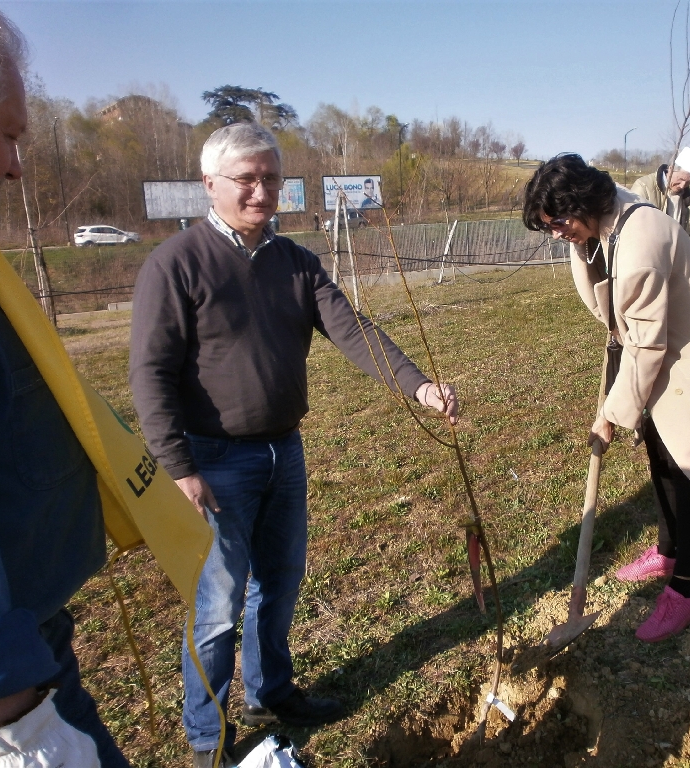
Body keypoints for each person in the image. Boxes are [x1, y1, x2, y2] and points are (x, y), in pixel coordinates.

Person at [129, 122, 458, 768]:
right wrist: (178, 466)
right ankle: (207, 739)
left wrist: (418, 388)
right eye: (246, 179)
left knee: (279, 584)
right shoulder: (175, 264)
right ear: (210, 185)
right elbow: (150, 372)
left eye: (271, 178)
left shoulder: (297, 264)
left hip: (285, 453)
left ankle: (270, 693)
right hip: (215, 461)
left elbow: (354, 331)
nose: (261, 192)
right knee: (218, 604)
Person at [522, 154, 690, 642]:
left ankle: (685, 591)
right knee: (660, 455)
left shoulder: (640, 241)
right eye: (547, 227)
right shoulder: (611, 217)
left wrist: (611, 416)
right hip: (664, 349)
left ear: (581, 204)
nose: (556, 234)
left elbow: (646, 347)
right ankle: (668, 552)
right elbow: (632, 325)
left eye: (558, 223)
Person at [0, 3, 128, 765]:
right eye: (7, 133)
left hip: (34, 642)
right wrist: (14, 719)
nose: (15, 164)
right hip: (8, 692)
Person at [630, 165, 690, 252]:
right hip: (647, 254)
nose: (682, 186)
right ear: (671, 169)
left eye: (687, 183)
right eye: (681, 179)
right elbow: (633, 224)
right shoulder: (643, 187)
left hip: (679, 257)